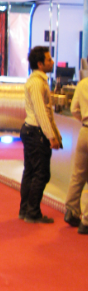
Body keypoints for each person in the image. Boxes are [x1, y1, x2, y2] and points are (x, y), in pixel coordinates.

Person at [19, 46, 62, 224]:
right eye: (49, 59)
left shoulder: (37, 81)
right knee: (41, 173)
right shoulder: (37, 83)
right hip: (36, 132)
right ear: (40, 64)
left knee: (30, 172)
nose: (52, 62)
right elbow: (41, 112)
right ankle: (32, 212)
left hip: (31, 130)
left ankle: (26, 210)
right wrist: (51, 136)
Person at [63, 77, 88, 234]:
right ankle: (86, 221)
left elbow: (74, 110)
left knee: (78, 174)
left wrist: (83, 119)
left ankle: (71, 211)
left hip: (84, 131)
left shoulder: (83, 84)